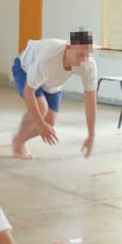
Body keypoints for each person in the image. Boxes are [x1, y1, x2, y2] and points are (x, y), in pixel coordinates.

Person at [11, 31, 98, 160]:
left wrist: (91, 135)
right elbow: (28, 92)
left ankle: (19, 140)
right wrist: (40, 124)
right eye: (77, 56)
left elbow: (91, 102)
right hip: (25, 68)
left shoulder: (89, 66)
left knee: (50, 121)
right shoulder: (49, 59)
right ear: (68, 49)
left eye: (83, 57)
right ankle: (18, 145)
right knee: (41, 108)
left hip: (52, 81)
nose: (79, 61)